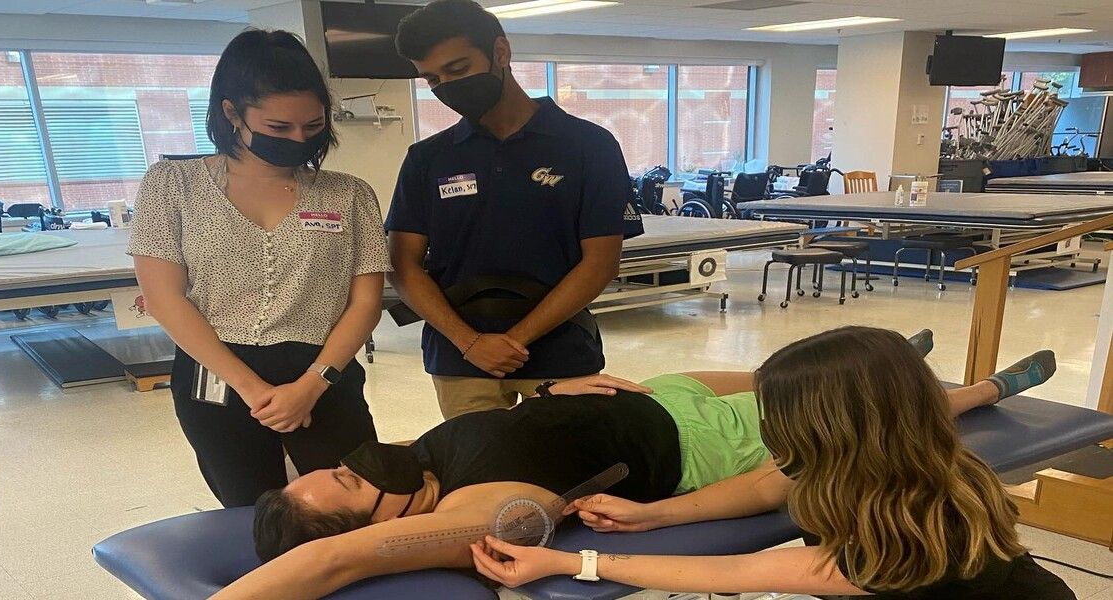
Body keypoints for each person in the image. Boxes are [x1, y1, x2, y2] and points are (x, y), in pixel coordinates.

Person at [209, 329, 1060, 599]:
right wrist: (612, 536)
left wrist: (546, 394)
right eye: (350, 481)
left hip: (657, 398)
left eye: (337, 469)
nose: (358, 462)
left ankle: (920, 380)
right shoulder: (912, 495)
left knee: (776, 390)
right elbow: (330, 557)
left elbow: (762, 569)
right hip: (675, 423)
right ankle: (914, 379)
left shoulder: (897, 536)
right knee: (789, 394)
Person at [470, 327, 1074, 599]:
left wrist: (570, 561)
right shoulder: (873, 460)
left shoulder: (895, 543)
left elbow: (736, 574)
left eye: (775, 413)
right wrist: (653, 514)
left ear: (827, 429)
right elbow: (764, 488)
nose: (763, 423)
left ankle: (994, 386)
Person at [129, 29, 391, 508]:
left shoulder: (349, 194)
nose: (298, 139)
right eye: (279, 127)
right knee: (252, 512)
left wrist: (311, 386)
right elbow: (166, 298)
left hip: (324, 371)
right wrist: (252, 390)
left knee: (356, 506)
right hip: (217, 373)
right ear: (232, 113)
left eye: (312, 127)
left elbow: (366, 302)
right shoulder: (172, 184)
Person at [385, 0, 643, 419]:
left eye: (458, 69)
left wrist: (513, 340)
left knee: (566, 471)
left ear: (500, 52)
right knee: (481, 476)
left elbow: (600, 262)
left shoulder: (588, 146)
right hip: (461, 357)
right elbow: (402, 265)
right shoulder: (427, 158)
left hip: (561, 348)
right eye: (431, 78)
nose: (446, 86)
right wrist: (471, 343)